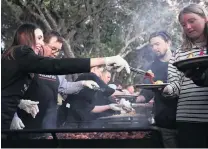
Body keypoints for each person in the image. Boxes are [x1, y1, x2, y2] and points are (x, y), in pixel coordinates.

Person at [1, 23, 130, 130]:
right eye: (39, 38)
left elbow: (9, 90)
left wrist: (82, 83)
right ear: (26, 37)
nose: (40, 42)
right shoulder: (21, 53)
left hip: (47, 124)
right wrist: (104, 60)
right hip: (21, 126)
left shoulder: (21, 58)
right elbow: (56, 65)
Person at [11, 31, 98, 139]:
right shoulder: (28, 64)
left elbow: (64, 87)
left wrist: (82, 83)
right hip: (24, 126)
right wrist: (13, 116)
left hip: (48, 126)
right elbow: (9, 93)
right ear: (43, 44)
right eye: (53, 49)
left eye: (58, 50)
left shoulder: (55, 69)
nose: (56, 53)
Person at [163, 4, 208, 148]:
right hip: (187, 118)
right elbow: (175, 83)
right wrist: (168, 89)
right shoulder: (179, 54)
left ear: (205, 18)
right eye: (183, 24)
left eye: (192, 21)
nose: (188, 27)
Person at [136, 31, 178, 148]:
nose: (154, 48)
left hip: (185, 118)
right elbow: (147, 90)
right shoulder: (152, 67)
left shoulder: (179, 61)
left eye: (157, 44)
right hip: (164, 120)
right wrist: (137, 99)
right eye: (152, 45)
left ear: (168, 43)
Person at [57, 65, 124, 128]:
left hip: (75, 119)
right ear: (94, 69)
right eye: (100, 72)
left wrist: (110, 106)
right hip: (71, 120)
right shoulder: (90, 75)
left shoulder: (90, 85)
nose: (100, 75)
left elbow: (90, 107)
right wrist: (126, 93)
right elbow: (107, 90)